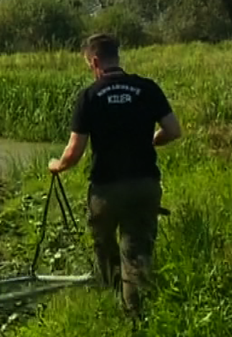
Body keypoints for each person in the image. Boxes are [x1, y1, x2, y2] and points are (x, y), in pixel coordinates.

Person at [48, 33, 182, 320]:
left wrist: (57, 166)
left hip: (106, 189)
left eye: (89, 65)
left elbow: (74, 151)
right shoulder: (147, 88)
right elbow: (173, 130)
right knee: (136, 251)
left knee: (105, 246)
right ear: (117, 57)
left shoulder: (90, 96)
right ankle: (137, 315)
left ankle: (112, 303)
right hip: (145, 184)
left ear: (95, 61)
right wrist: (153, 141)